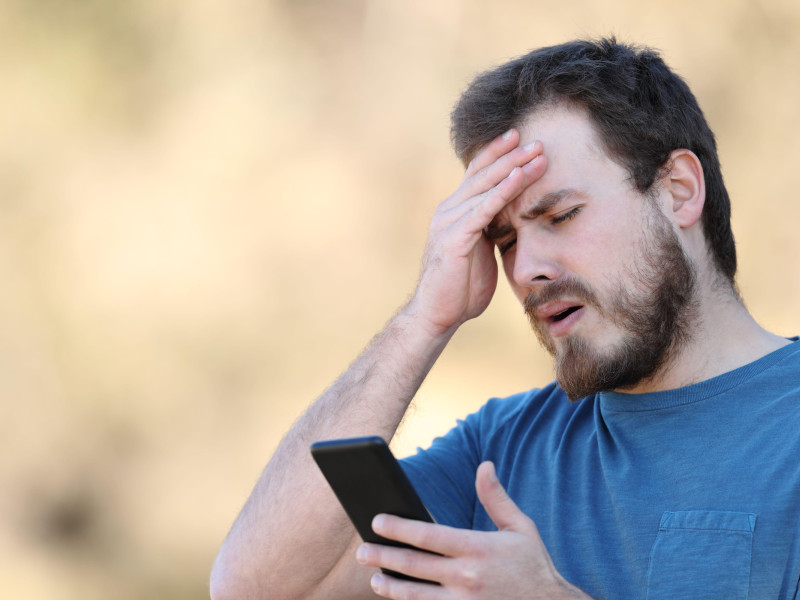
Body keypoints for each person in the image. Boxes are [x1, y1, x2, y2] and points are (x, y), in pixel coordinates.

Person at [210, 38, 800, 600]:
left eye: (561, 215)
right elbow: (255, 588)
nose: (526, 271)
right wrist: (423, 320)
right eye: (504, 238)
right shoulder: (500, 450)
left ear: (678, 190)